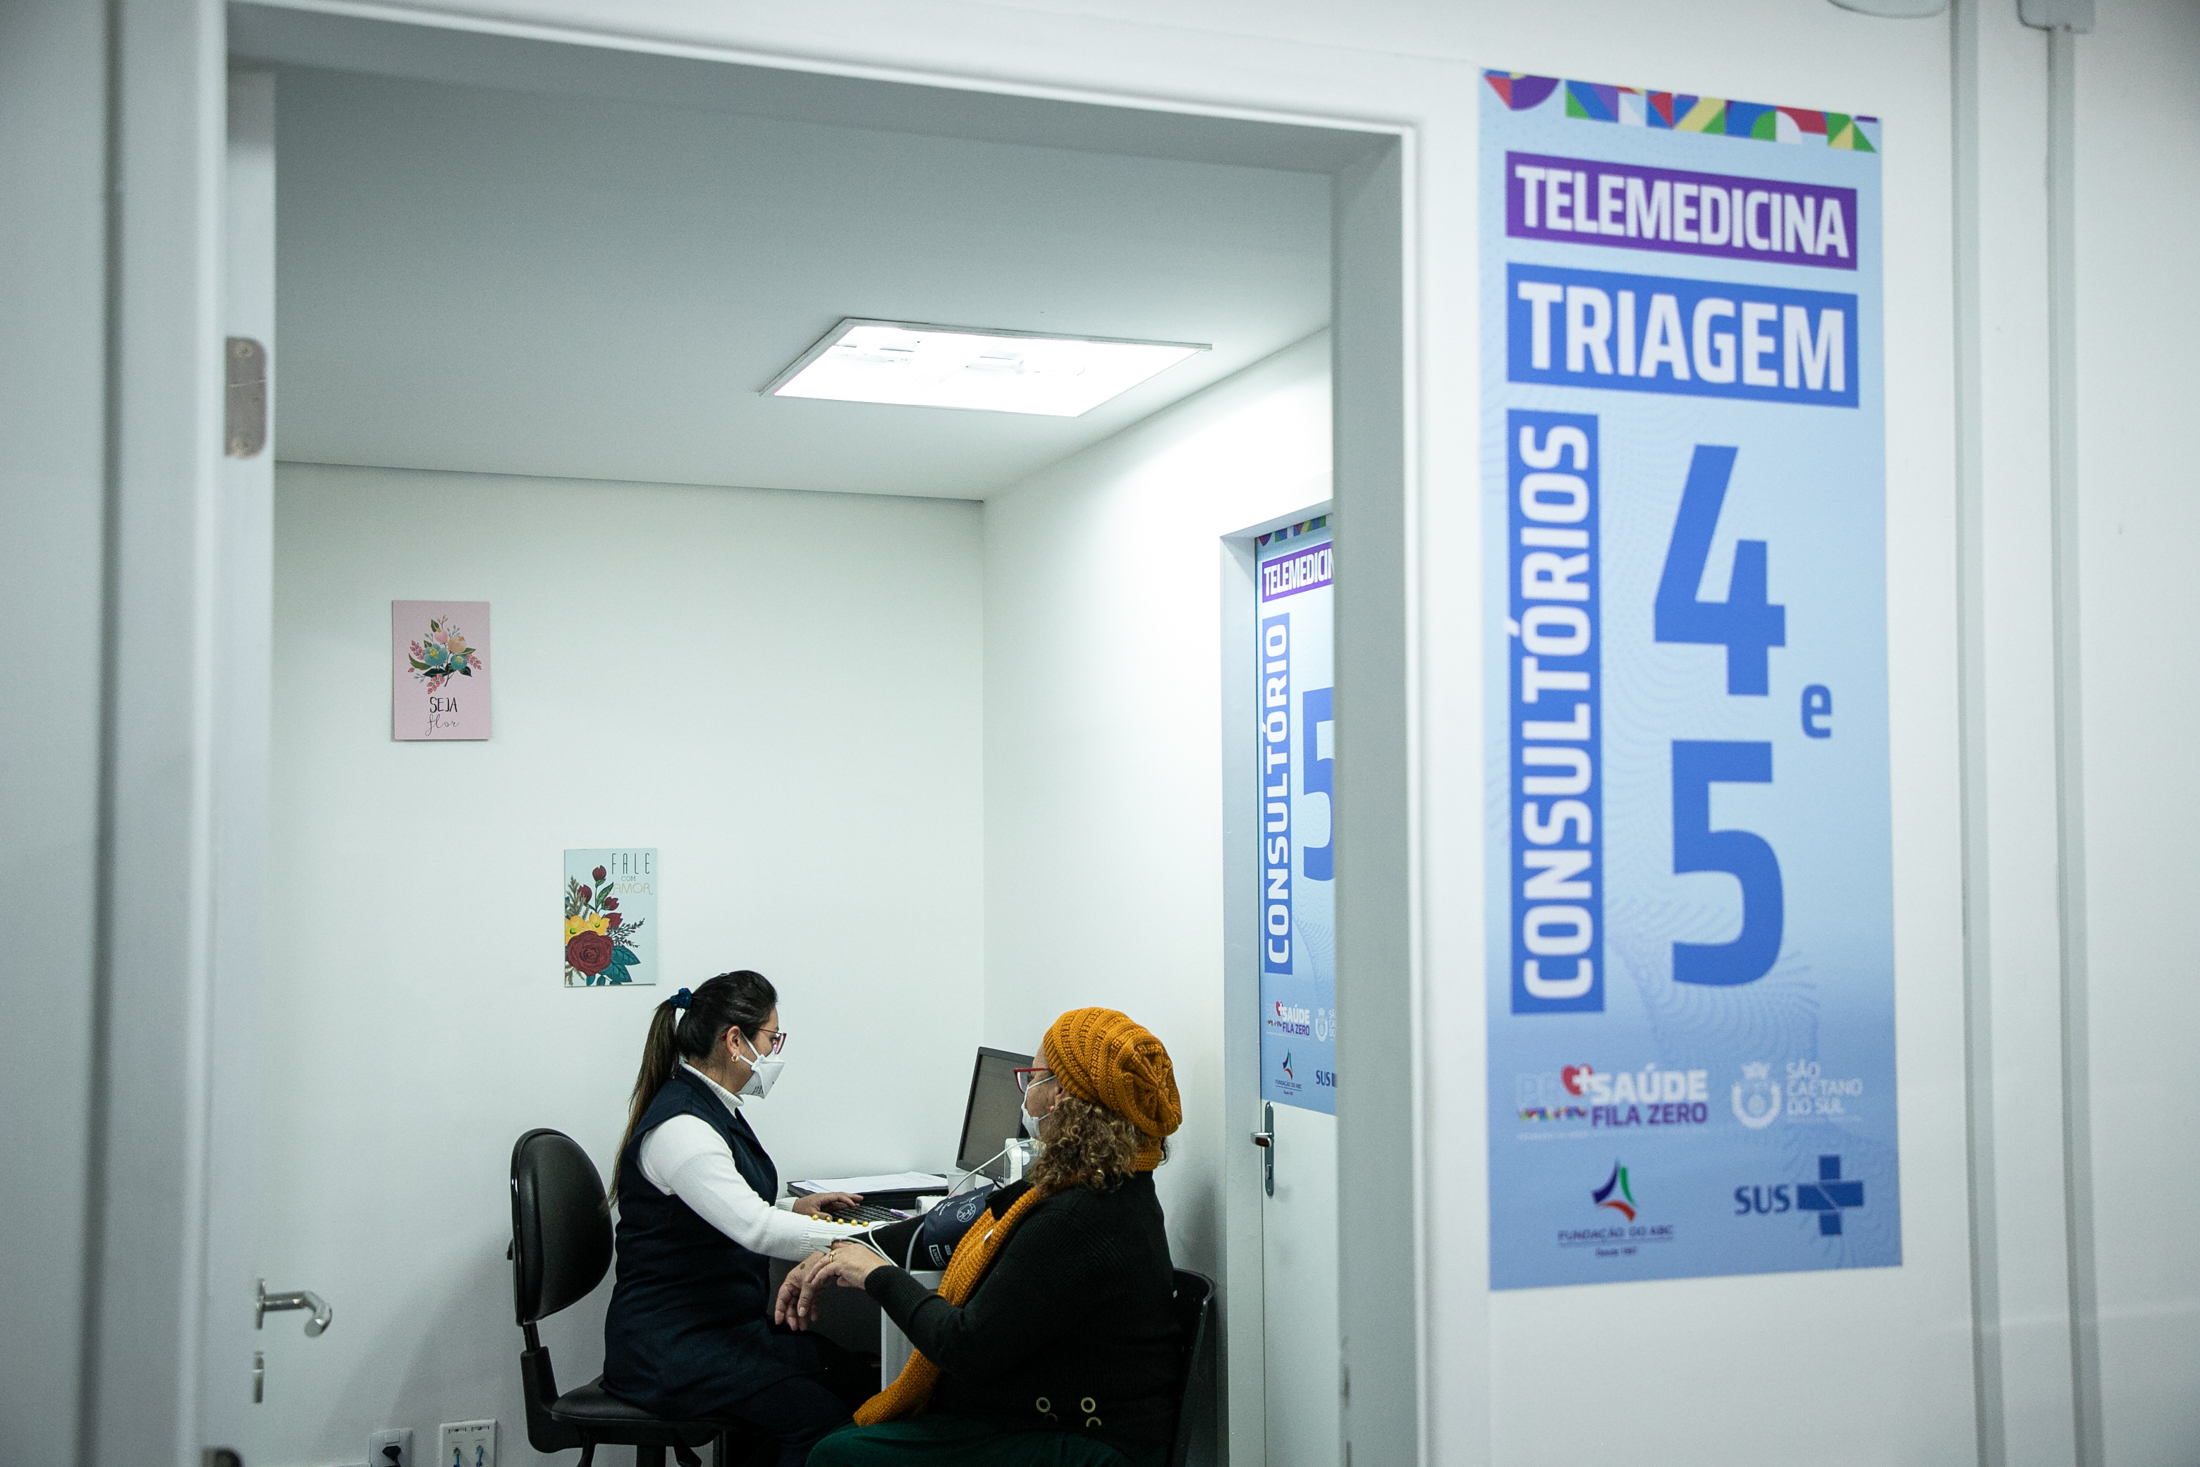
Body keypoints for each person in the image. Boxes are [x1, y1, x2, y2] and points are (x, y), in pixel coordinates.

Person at [778, 1007, 1184, 1467]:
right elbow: (949, 1226)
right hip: (1046, 1416)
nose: (1025, 1094)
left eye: (1033, 1077)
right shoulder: (1102, 1186)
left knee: (837, 1454)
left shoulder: (1077, 1217)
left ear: (1062, 1096)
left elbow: (964, 1347)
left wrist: (877, 1275)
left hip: (1089, 1444)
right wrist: (843, 1251)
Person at [601, 970, 877, 1466]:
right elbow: (754, 1228)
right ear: (734, 1041)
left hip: (716, 1328)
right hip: (672, 1348)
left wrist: (794, 1208)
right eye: (772, 1038)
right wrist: (870, 1240)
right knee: (819, 1419)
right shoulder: (683, 1129)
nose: (773, 1052)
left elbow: (722, 1205)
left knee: (857, 1376)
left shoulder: (709, 1105)